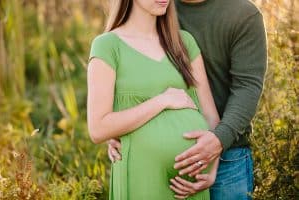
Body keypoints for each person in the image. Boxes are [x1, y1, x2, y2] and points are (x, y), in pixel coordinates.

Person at [108, 0, 268, 199]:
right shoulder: (160, 6)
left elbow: (247, 88)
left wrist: (218, 140)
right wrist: (118, 128)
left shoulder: (243, 14)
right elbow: (136, 67)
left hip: (228, 155)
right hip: (161, 162)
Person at [87, 0, 221, 199]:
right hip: (142, 177)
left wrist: (211, 168)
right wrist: (162, 101)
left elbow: (211, 117)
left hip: (190, 184)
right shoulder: (108, 45)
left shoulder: (184, 42)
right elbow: (98, 129)